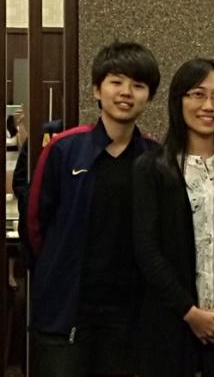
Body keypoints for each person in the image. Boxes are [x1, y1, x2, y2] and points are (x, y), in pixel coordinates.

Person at [26, 41, 161, 377]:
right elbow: (34, 225)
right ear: (96, 90)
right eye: (116, 82)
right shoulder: (64, 149)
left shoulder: (156, 157)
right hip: (67, 310)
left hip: (127, 315)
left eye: (138, 85)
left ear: (150, 96)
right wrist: (54, 272)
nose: (126, 92)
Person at [133, 59, 214, 377]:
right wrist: (190, 313)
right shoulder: (151, 167)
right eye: (197, 94)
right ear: (178, 99)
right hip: (171, 323)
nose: (209, 106)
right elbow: (147, 249)